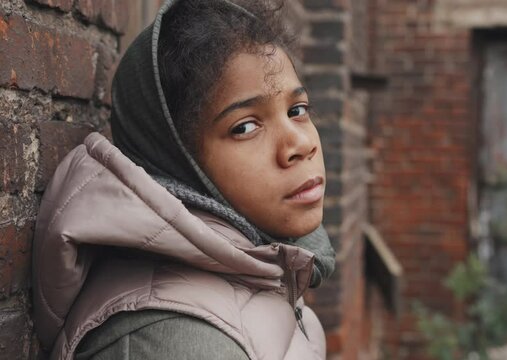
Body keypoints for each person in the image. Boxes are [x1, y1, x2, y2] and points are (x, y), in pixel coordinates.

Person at [31, 0, 335, 359]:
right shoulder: (173, 341)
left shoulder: (263, 267)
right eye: (245, 127)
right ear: (177, 160)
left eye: (297, 110)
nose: (299, 145)